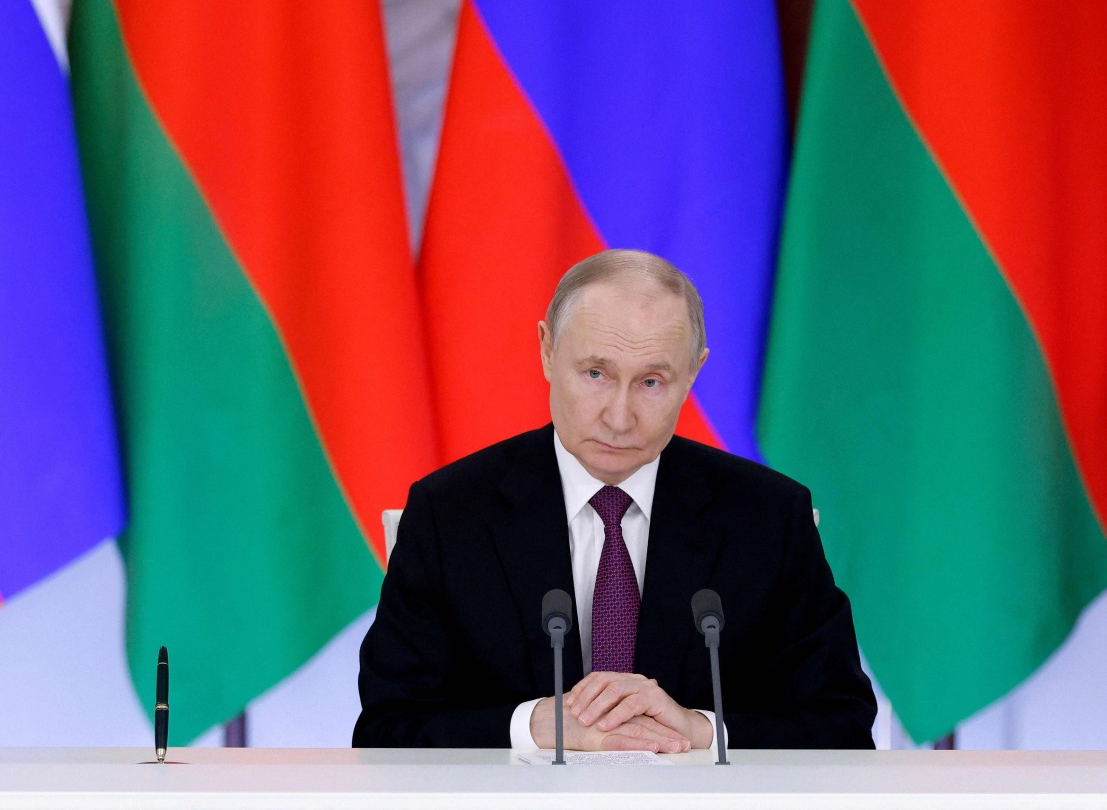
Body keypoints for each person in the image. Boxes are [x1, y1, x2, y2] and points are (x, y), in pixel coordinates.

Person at [353, 249, 876, 751]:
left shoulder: (768, 519)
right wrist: (531, 725)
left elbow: (844, 723)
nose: (620, 417)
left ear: (693, 371)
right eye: (596, 374)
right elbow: (386, 726)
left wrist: (701, 730)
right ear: (547, 350)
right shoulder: (449, 515)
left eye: (651, 381)